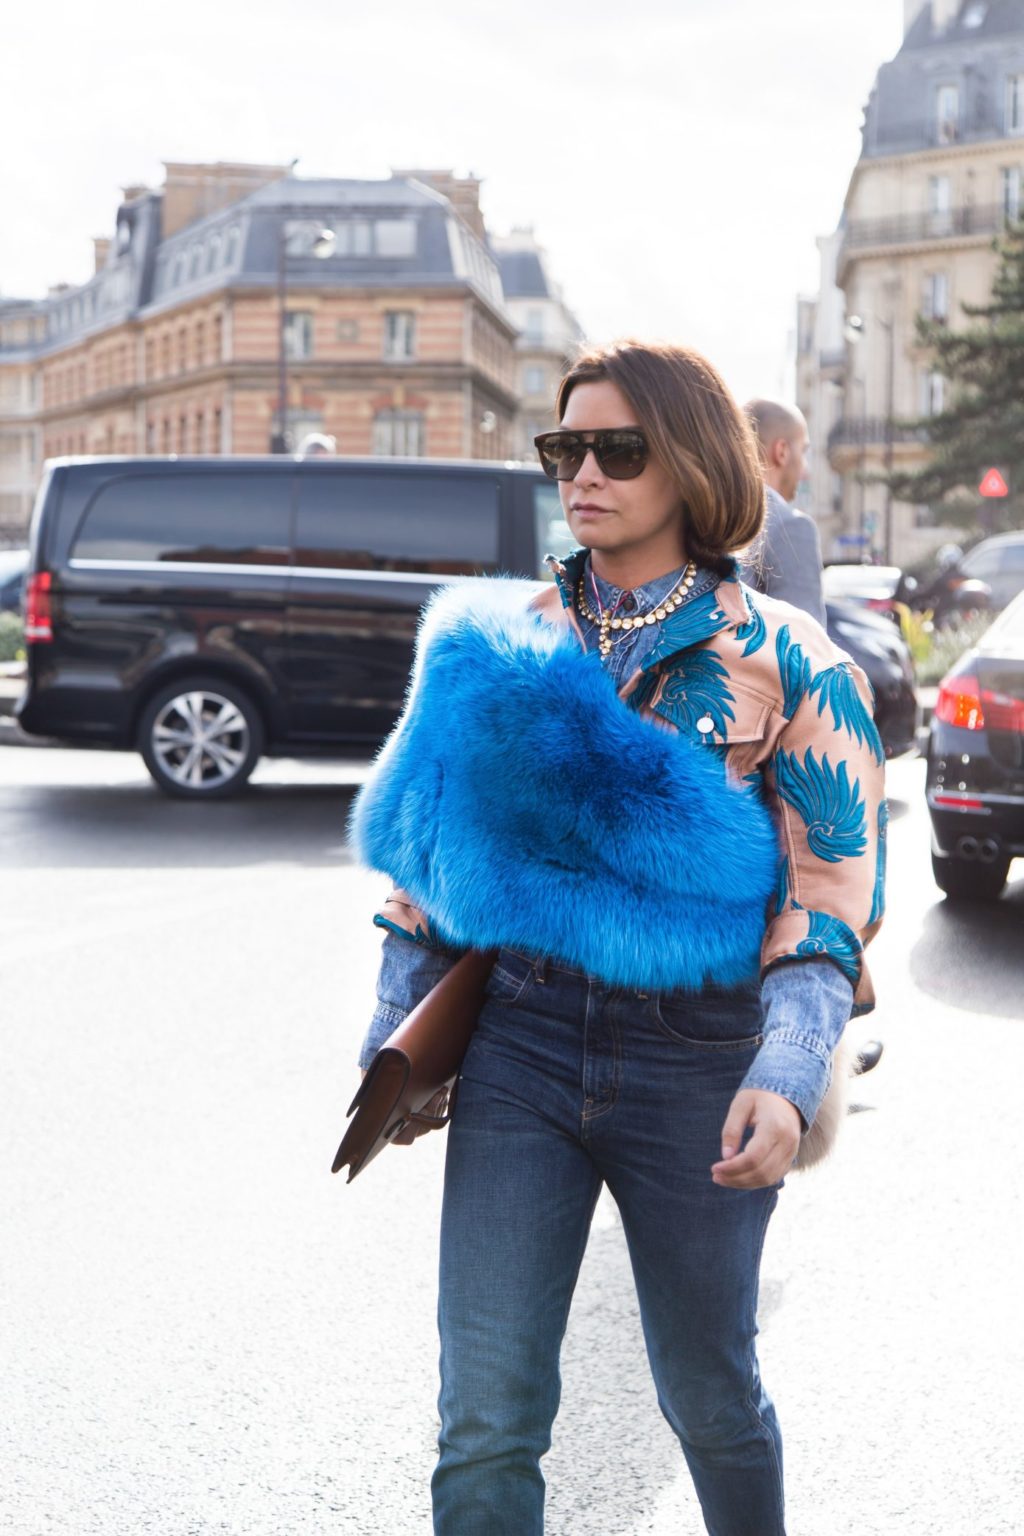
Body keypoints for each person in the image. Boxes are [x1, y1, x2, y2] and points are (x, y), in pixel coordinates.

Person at [351, 340, 886, 1536]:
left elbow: (827, 896)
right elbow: (426, 863)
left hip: (700, 1059)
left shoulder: (790, 659)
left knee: (709, 1394)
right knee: (484, 1417)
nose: (583, 473)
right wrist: (394, 1035)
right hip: (519, 1045)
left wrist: (791, 1067)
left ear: (691, 463)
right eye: (566, 448)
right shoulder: (502, 642)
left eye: (619, 449)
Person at [742, 400, 826, 626]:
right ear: (782, 451)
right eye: (803, 451)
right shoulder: (790, 525)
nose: (805, 470)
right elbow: (803, 638)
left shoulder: (711, 514)